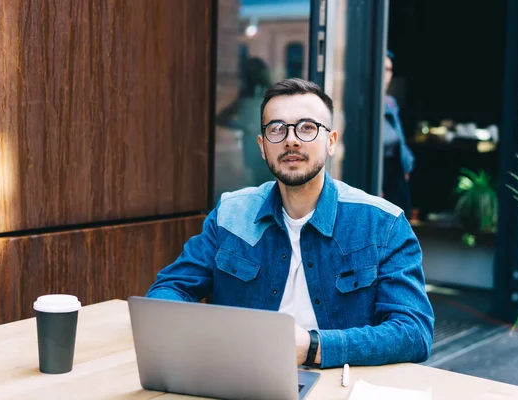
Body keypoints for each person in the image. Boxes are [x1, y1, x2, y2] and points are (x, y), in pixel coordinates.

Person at [147, 78, 434, 368]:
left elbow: (413, 332)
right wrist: (201, 337)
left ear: (330, 142)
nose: (291, 139)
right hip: (243, 376)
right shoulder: (231, 214)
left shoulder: (382, 224)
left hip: (336, 383)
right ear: (262, 146)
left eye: (307, 127)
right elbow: (171, 287)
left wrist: (314, 348)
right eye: (277, 129)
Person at [217, 57, 275, 186]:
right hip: (253, 144)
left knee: (267, 181)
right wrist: (243, 126)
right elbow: (221, 118)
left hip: (267, 144)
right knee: (260, 182)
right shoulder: (246, 96)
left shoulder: (271, 95)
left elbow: (222, 117)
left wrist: (244, 127)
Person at [383, 51, 415, 219]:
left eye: (389, 69)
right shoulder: (364, 101)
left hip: (394, 167)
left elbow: (399, 138)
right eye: (383, 68)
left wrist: (406, 163)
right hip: (378, 168)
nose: (386, 74)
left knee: (401, 215)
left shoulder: (390, 102)